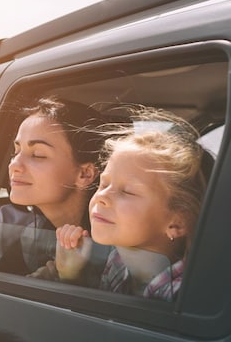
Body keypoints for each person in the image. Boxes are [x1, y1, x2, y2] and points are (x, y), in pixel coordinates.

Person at [55, 107, 209, 301]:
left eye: (127, 191)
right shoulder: (118, 261)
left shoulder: (186, 296)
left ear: (177, 224)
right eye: (103, 183)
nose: (102, 196)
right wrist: (69, 275)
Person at [0, 96, 106, 274]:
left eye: (38, 154)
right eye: (16, 151)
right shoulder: (32, 237)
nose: (14, 165)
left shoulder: (112, 252)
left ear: (84, 174)